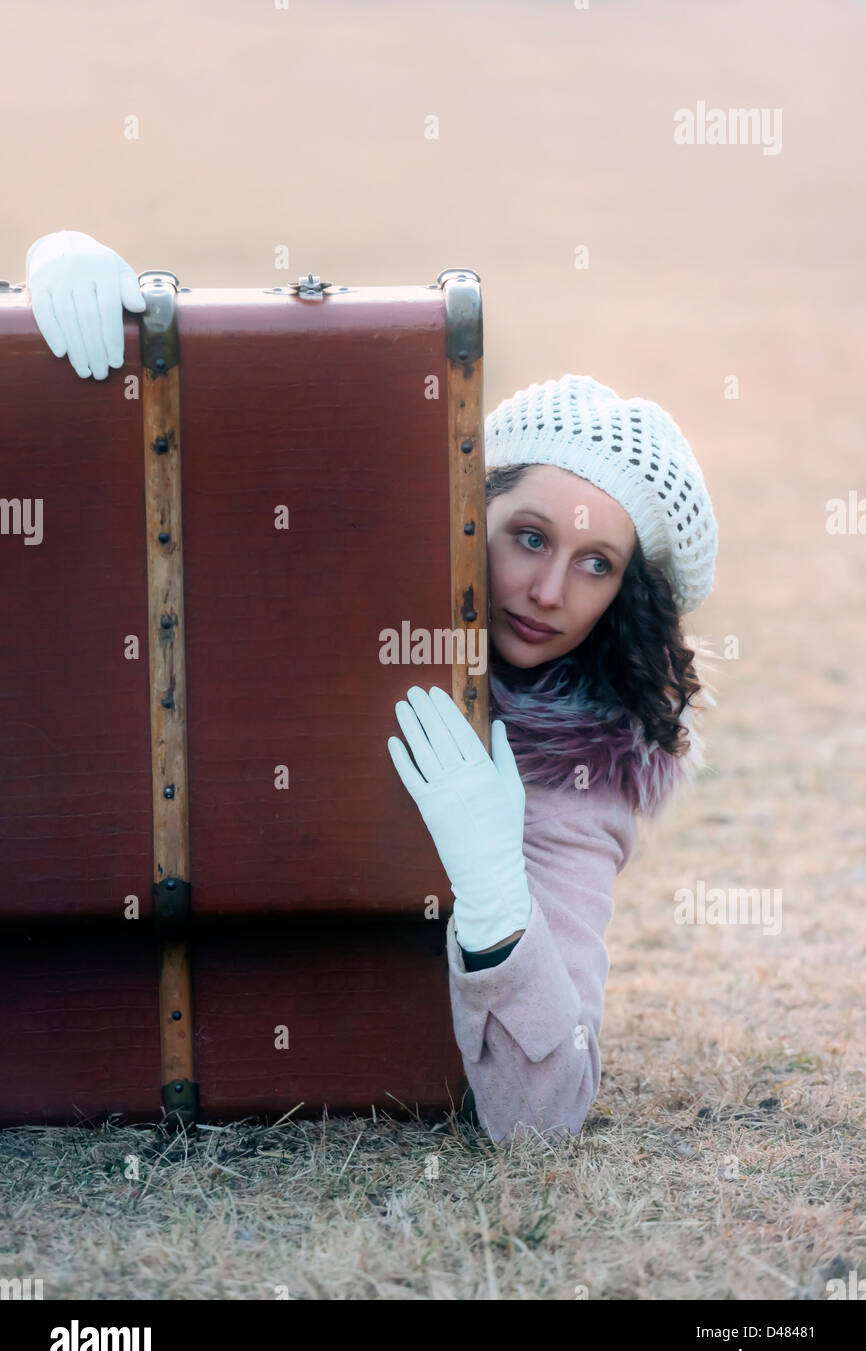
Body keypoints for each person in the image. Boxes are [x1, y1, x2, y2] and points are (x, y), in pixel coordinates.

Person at [25, 229, 719, 1144]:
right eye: (530, 536)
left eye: (595, 564)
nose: (550, 592)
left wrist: (495, 890)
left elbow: (547, 1116)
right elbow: (200, 490)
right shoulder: (339, 581)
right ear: (468, 510)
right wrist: (56, 285)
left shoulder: (575, 777)